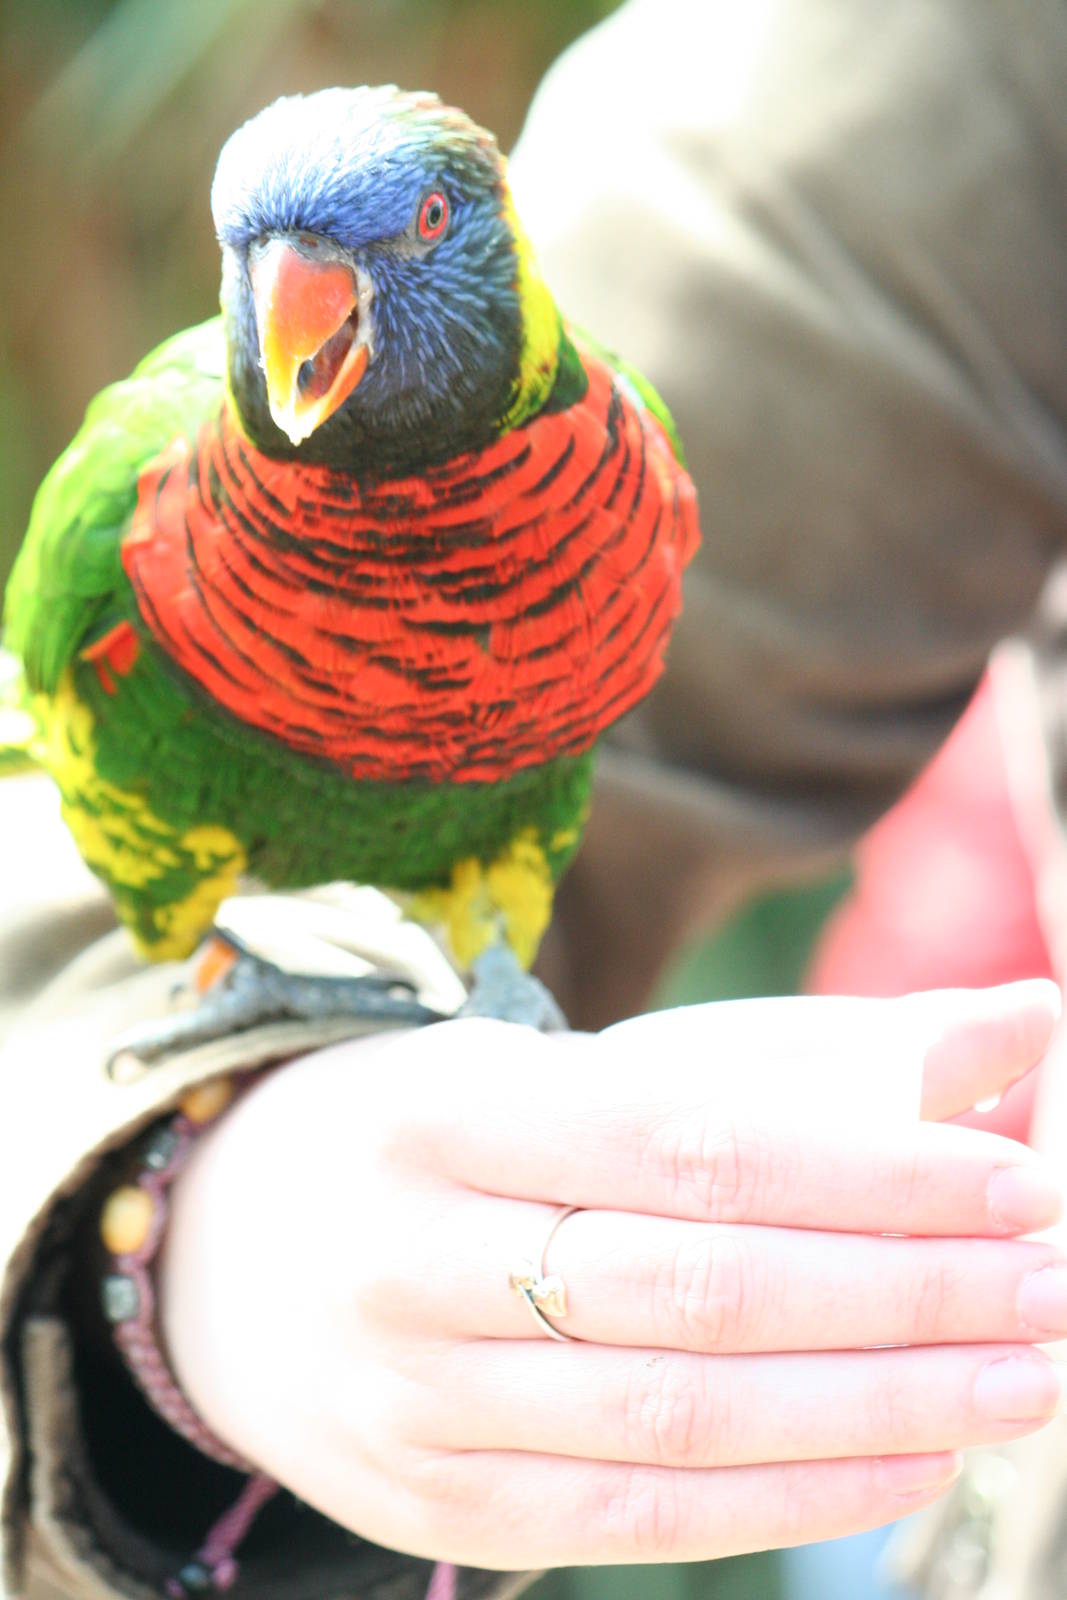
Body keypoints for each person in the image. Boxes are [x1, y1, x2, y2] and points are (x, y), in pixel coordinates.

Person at [7, 3, 1067, 1600]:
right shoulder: (146, 510)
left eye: (421, 227)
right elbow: (50, 843)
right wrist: (203, 1198)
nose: (294, 300)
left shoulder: (606, 491)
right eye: (260, 259)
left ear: (484, 241)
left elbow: (587, 768)